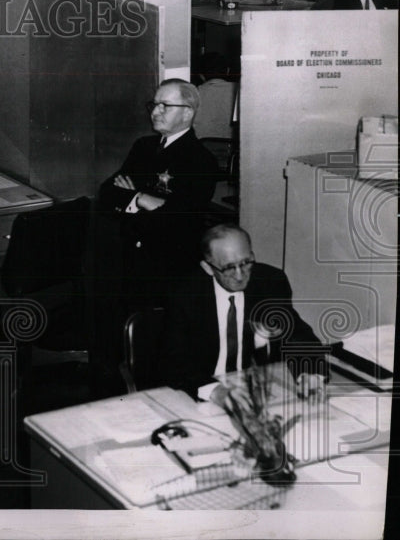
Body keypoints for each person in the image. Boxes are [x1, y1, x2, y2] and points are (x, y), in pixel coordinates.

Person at [162, 224, 328, 403]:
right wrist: (216, 391)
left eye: (246, 263)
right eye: (229, 268)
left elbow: (297, 335)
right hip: (202, 393)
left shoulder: (270, 282)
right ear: (208, 267)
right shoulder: (185, 295)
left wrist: (310, 373)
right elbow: (174, 362)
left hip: (256, 389)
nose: (240, 276)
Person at [99, 78, 220, 279]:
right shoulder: (143, 146)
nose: (155, 112)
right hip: (127, 254)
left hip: (167, 265)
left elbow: (179, 220)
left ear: (187, 112)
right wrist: (142, 199)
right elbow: (107, 192)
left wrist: (131, 196)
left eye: (165, 106)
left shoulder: (201, 160)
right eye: (154, 105)